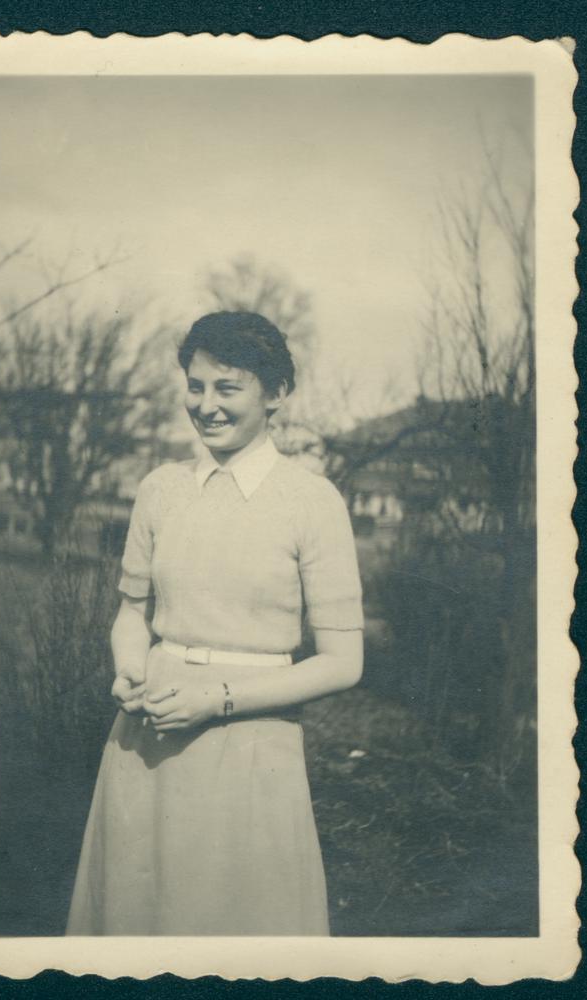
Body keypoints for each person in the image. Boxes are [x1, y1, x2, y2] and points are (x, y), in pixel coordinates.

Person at [66, 311, 364, 936]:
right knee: (136, 920)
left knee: (233, 926)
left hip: (251, 740)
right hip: (147, 735)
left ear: (276, 393)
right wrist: (129, 669)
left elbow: (343, 663)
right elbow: (132, 613)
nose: (206, 406)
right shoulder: (160, 489)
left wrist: (217, 699)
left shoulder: (313, 502)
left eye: (227, 388)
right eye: (196, 387)